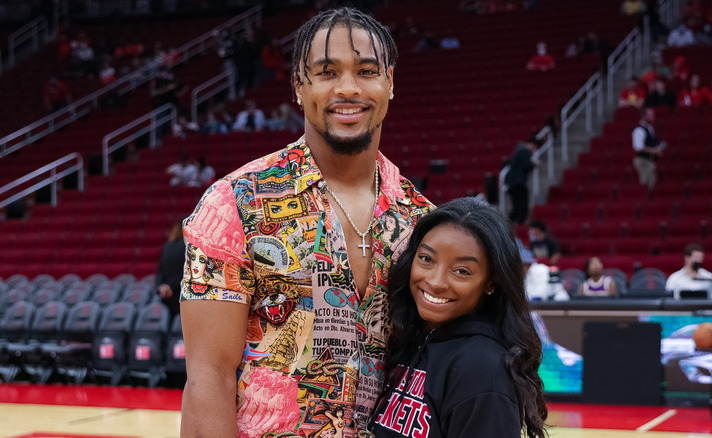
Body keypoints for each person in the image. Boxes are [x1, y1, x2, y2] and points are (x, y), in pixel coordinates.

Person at [179, 8, 434, 438]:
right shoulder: (235, 204)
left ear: (390, 81)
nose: (348, 88)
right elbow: (209, 377)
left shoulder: (421, 218)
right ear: (299, 85)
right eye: (327, 72)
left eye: (367, 71)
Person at [369, 198, 547, 438]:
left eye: (461, 271)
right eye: (426, 259)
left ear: (491, 282)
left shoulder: (484, 372)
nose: (435, 281)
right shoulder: (407, 337)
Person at [156, 222, 186, 317]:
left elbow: (160, 272)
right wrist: (171, 286)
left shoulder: (167, 247)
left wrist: (162, 286)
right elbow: (187, 272)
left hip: (166, 296)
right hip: (181, 294)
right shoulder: (187, 246)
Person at [505, 139, 538, 224]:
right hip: (518, 183)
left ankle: (509, 225)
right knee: (521, 207)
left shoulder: (519, 152)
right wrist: (534, 164)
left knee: (518, 207)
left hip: (514, 183)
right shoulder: (523, 151)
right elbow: (527, 164)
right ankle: (512, 225)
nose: (533, 149)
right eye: (533, 147)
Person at [632, 107, 665, 190]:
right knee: (647, 184)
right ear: (644, 116)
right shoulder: (639, 130)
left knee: (652, 182)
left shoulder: (650, 128)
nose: (653, 116)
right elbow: (639, 147)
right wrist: (654, 150)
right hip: (643, 161)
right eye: (650, 115)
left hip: (650, 160)